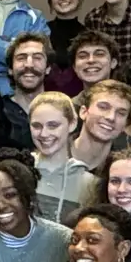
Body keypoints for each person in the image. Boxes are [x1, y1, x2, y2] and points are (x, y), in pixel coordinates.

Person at [25, 92, 97, 225]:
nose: (44, 133)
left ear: (72, 124)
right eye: (36, 126)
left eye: (53, 125)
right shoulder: (17, 170)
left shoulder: (89, 184)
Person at [68, 79, 126, 174]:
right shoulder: (53, 151)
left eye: (121, 113)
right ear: (83, 112)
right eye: (103, 107)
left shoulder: (125, 168)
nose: (111, 117)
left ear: (126, 125)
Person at [49, 28, 118, 97]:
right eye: (83, 56)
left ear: (113, 62)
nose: (91, 60)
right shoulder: (68, 107)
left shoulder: (127, 103)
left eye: (99, 54)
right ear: (74, 67)